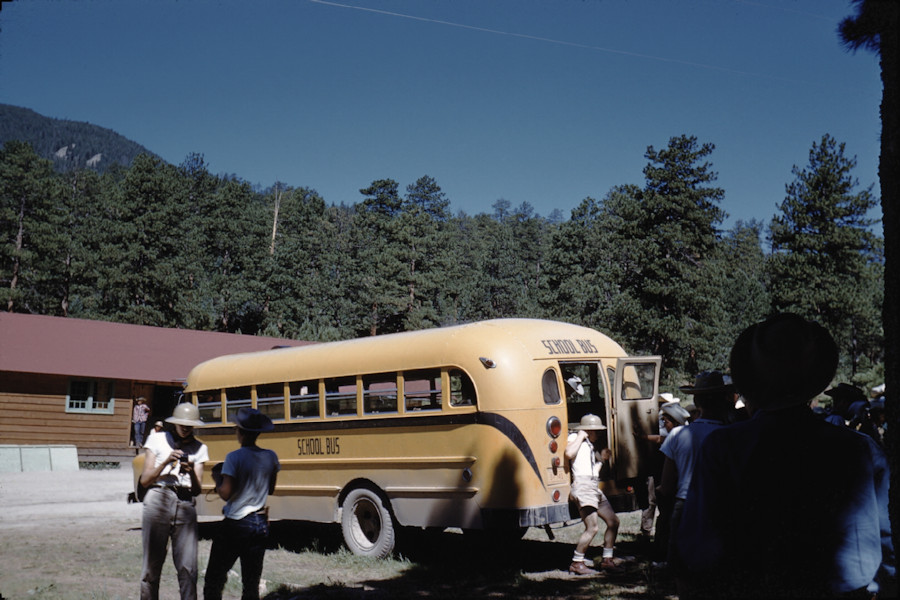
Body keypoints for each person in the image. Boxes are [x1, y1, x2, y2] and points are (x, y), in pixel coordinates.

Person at [677, 314, 894, 598]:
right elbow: (888, 541)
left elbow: (700, 549)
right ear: (813, 381)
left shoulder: (724, 448)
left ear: (753, 383)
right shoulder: (861, 450)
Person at [656, 371, 733, 578]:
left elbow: (667, 484)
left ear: (697, 401)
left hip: (685, 502)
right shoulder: (732, 435)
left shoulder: (677, 435)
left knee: (682, 565)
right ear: (723, 400)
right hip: (721, 504)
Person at [204, 408, 280, 600]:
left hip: (237, 522)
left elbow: (226, 493)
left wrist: (217, 479)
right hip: (260, 522)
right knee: (251, 583)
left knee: (215, 578)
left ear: (241, 432)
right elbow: (270, 489)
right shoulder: (271, 456)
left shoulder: (234, 457)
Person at [139, 402, 209, 600]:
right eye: (182, 424)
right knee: (151, 565)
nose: (185, 428)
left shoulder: (200, 448)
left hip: (185, 501)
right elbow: (145, 480)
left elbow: (197, 489)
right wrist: (166, 462)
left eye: (189, 425)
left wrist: (191, 472)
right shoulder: (157, 439)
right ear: (174, 423)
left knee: (188, 566)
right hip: (158, 496)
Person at [565, 413, 622, 575]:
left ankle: (607, 559)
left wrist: (601, 461)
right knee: (592, 527)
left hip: (592, 486)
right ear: (588, 430)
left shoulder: (588, 445)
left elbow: (591, 470)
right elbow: (568, 454)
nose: (598, 434)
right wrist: (580, 436)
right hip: (583, 487)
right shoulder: (576, 438)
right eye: (596, 431)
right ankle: (577, 562)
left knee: (613, 521)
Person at [637, 401, 689, 560]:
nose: (664, 424)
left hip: (674, 486)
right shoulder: (687, 433)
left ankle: (661, 553)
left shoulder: (675, 435)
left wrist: (662, 487)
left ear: (674, 422)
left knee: (666, 520)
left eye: (666, 422)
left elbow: (660, 439)